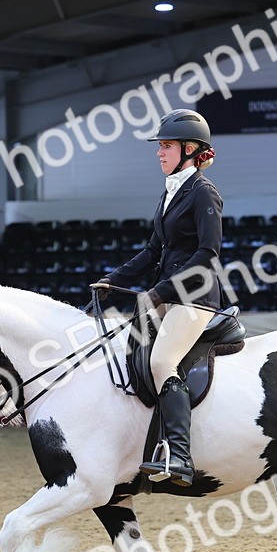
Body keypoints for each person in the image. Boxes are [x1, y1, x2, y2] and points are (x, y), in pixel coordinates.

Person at [94, 109, 221, 486]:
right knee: (124, 356)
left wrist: (160, 292)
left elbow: (208, 254)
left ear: (190, 149)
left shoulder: (203, 192)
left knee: (162, 360)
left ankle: (180, 454)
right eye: (160, 146)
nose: (159, 152)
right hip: (165, 296)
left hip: (194, 298)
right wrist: (112, 279)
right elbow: (152, 252)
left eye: (166, 146)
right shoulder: (169, 193)